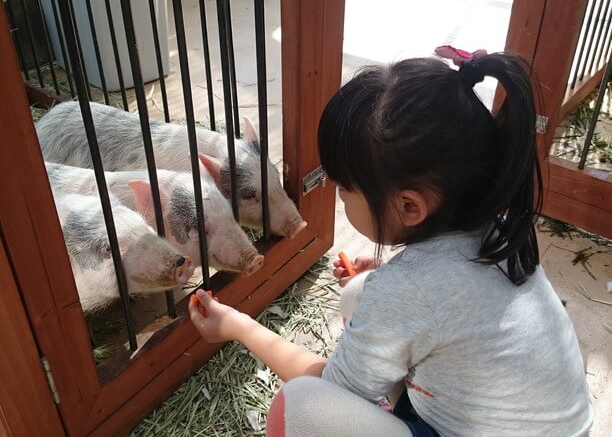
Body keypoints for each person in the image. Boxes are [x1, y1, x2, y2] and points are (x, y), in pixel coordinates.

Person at [189, 47, 593, 436]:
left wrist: (238, 326)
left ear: (409, 207)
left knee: (298, 408)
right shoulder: (498, 223)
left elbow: (328, 388)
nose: (339, 199)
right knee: (360, 295)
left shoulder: (407, 291)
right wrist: (388, 278)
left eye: (345, 189)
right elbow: (456, 304)